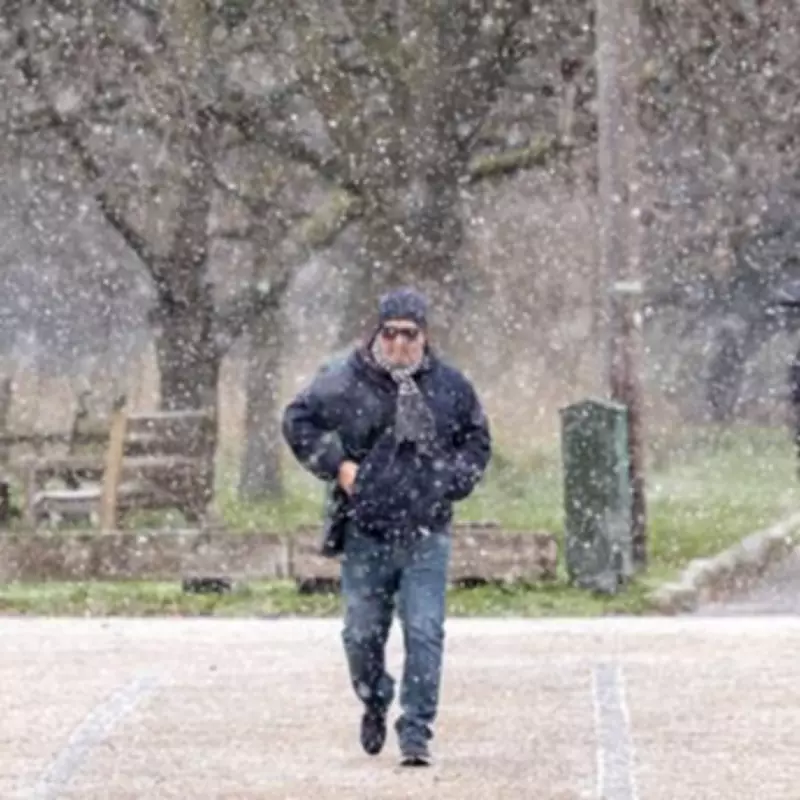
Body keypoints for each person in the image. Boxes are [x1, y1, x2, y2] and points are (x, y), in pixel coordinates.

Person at [281, 287, 492, 767]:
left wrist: (448, 481)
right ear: (377, 332)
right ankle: (375, 697)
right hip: (366, 530)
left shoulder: (450, 388)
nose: (399, 344)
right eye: (390, 332)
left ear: (425, 336)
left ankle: (415, 730)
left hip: (426, 530)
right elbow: (297, 420)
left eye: (409, 334)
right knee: (360, 634)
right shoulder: (344, 381)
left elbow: (477, 443)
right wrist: (338, 465)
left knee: (424, 631)